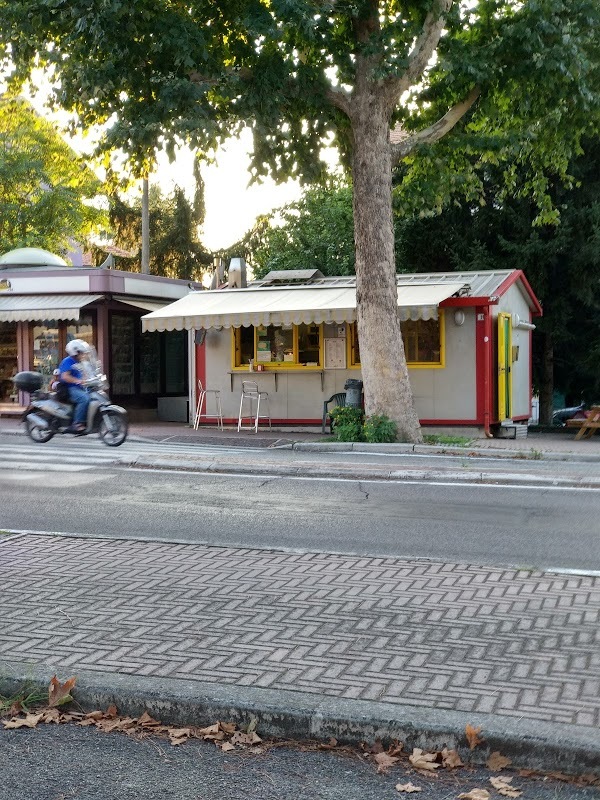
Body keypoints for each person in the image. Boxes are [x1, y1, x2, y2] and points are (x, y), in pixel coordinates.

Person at [57, 339, 91, 433]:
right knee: (84, 399)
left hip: (78, 388)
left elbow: (85, 374)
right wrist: (78, 381)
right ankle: (77, 423)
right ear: (75, 352)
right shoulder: (68, 361)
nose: (83, 354)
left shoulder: (80, 362)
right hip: (68, 388)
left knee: (91, 396)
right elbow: (65, 376)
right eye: (81, 352)